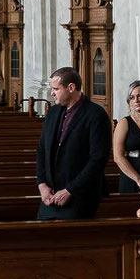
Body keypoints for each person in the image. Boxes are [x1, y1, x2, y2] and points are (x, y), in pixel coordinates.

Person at [35, 65, 110, 220]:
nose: (52, 93)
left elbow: (98, 159)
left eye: (56, 88)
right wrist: (42, 184)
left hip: (80, 197)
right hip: (50, 197)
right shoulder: (53, 112)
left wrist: (70, 190)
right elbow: (42, 149)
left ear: (71, 87)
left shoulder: (96, 115)